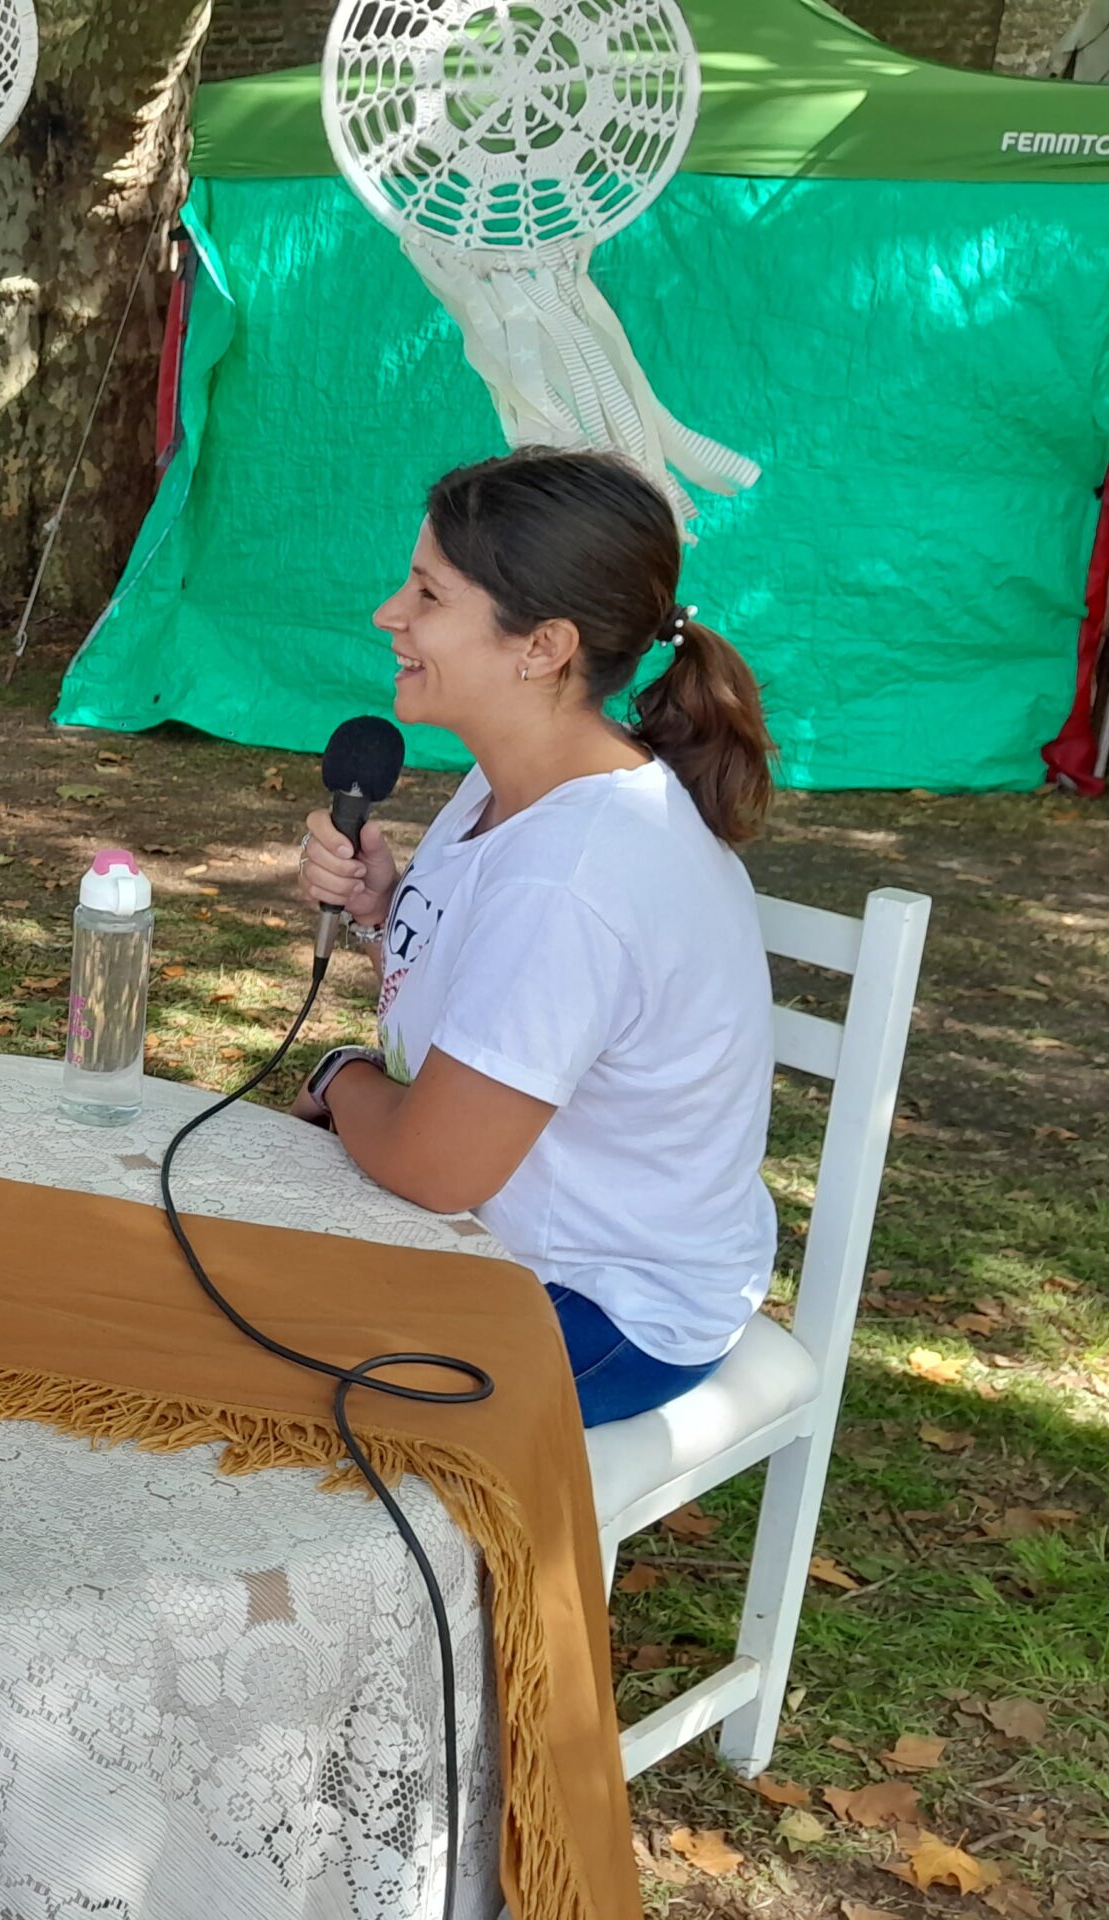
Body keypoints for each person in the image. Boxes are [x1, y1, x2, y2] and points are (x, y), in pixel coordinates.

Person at [294, 447, 778, 1427]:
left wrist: (342, 1077)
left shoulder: (574, 870)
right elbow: (490, 1003)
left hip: (602, 1309)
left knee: (235, 1360)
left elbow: (434, 1169)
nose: (389, 613)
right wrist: (390, 911)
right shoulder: (513, 783)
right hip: (499, 1248)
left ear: (543, 646)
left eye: (428, 594)